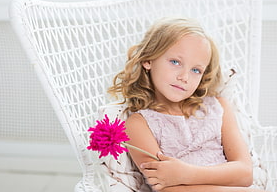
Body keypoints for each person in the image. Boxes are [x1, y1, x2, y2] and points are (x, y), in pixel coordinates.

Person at [108, 17, 268, 192]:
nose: (184, 77)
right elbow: (167, 189)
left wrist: (186, 174)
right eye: (175, 62)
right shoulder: (139, 124)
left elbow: (245, 174)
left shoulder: (217, 108)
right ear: (148, 60)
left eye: (195, 70)